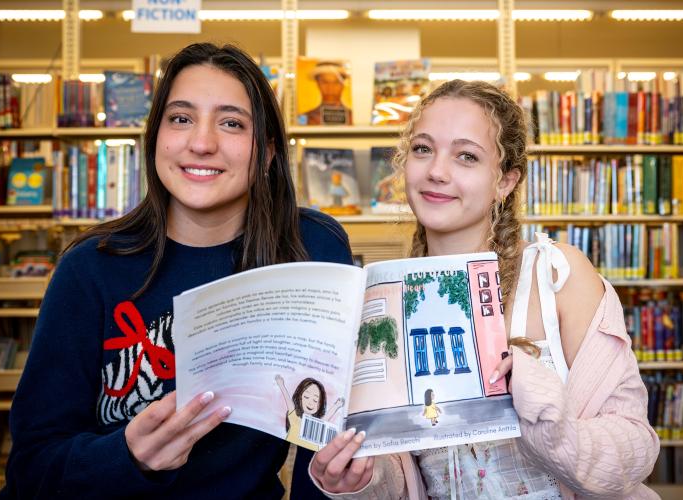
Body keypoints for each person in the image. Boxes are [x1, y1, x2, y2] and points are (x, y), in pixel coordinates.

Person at [0, 43, 353, 499]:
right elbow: (31, 468)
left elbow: (320, 455)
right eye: (181, 118)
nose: (201, 143)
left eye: (231, 123)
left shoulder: (309, 251)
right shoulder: (89, 268)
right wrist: (127, 456)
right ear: (156, 137)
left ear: (265, 155)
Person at [309, 80, 660, 499]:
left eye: (466, 156)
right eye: (423, 149)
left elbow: (636, 448)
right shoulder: (386, 301)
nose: (437, 171)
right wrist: (362, 480)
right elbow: (412, 480)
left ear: (505, 182)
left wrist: (543, 413)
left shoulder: (558, 276)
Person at [276, 375, 344, 448]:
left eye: (315, 400)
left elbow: (325, 419)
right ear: (299, 398)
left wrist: (337, 405)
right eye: (306, 397)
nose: (310, 403)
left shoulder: (317, 424)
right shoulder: (295, 417)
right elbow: (289, 402)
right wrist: (281, 384)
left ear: (320, 404)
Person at [302, 61, 352, 125]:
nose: (330, 88)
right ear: (318, 84)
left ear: (343, 85)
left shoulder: (352, 117)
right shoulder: (307, 117)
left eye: (336, 82)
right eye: (325, 82)